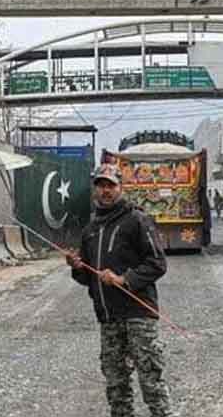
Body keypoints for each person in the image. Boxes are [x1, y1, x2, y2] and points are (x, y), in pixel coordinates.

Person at [66, 164, 174, 417]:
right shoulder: (90, 230)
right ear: (95, 189)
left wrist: (124, 280)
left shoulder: (137, 220)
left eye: (111, 185)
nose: (106, 190)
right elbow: (87, 279)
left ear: (120, 188)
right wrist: (77, 267)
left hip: (138, 314)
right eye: (101, 185)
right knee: (116, 386)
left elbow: (158, 264)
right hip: (109, 317)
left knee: (151, 382)